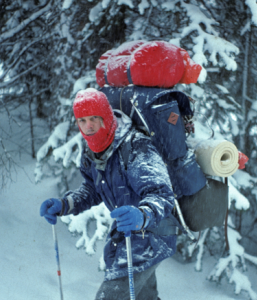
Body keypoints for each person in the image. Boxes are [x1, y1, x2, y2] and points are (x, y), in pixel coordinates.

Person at [40, 88, 177, 300]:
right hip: (128, 235)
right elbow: (93, 188)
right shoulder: (93, 150)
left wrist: (141, 215)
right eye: (82, 120)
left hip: (152, 234)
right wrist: (66, 204)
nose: (88, 126)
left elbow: (162, 194)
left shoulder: (136, 147)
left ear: (106, 116)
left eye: (94, 118)